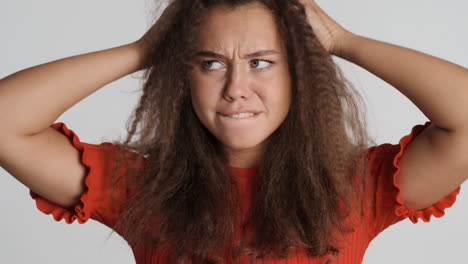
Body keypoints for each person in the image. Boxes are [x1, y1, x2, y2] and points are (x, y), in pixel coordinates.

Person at [0, 0, 466, 263]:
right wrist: (146, 50)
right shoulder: (141, 188)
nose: (235, 88)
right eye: (211, 63)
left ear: (297, 75)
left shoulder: (357, 186)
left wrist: (343, 41)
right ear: (184, 77)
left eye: (260, 62)